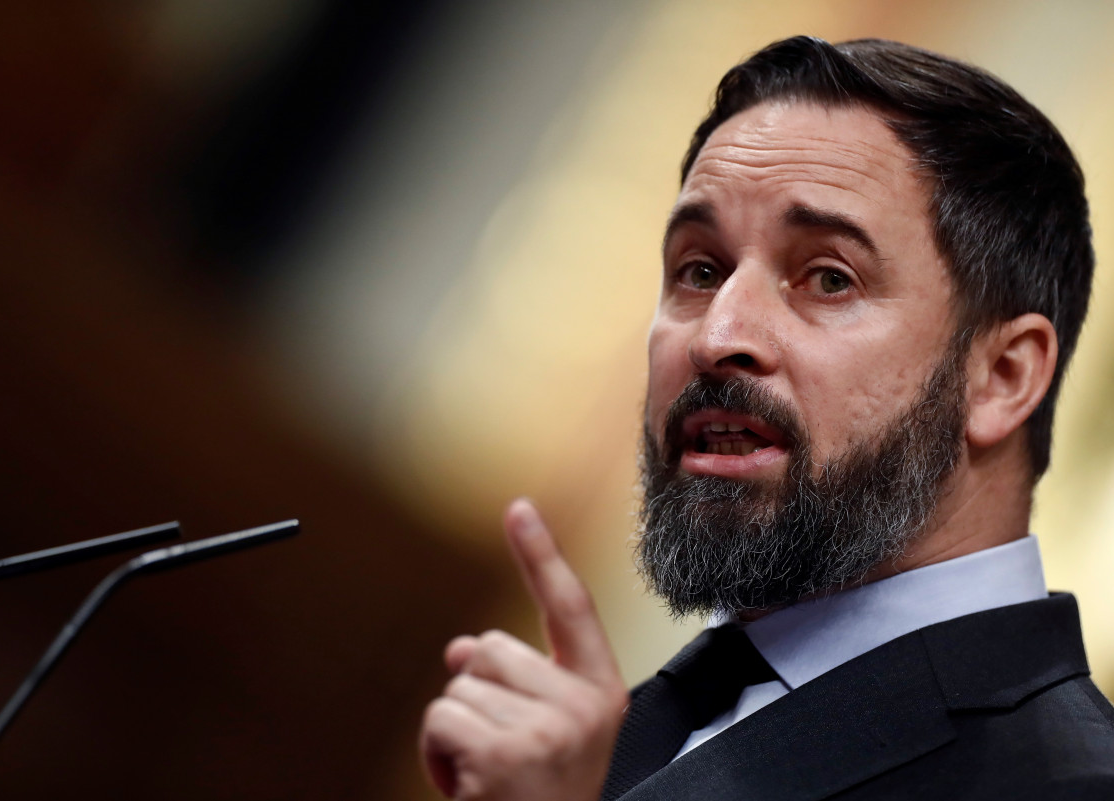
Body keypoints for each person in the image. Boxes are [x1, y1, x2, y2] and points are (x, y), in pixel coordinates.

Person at [418, 36, 1114, 801]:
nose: (718, 337)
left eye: (826, 278)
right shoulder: (674, 703)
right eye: (700, 270)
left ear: (1000, 377)